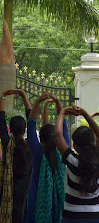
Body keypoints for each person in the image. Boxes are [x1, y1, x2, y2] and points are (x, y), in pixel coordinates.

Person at [54, 105, 99, 222]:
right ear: (93, 142)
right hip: (95, 216)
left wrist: (62, 112)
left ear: (75, 146)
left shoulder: (72, 161)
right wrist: (85, 114)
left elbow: (58, 135)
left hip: (72, 216)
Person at [27, 92, 69, 223]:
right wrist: (57, 103)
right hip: (60, 200)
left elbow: (31, 126)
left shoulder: (37, 152)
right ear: (58, 137)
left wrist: (37, 102)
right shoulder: (63, 152)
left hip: (37, 198)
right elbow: (64, 127)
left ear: (40, 138)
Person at [0, 89, 32, 223]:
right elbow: (32, 120)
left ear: (10, 130)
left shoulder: (7, 144)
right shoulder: (30, 146)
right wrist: (24, 95)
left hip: (7, 195)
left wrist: (2, 96)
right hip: (26, 195)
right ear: (25, 129)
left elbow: (1, 121)